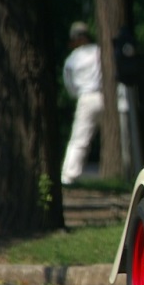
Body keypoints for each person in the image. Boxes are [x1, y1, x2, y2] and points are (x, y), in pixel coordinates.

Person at [61, 21, 104, 185]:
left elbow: (69, 84)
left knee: (79, 139)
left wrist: (76, 95)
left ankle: (68, 176)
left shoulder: (71, 59)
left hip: (86, 98)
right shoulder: (99, 51)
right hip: (106, 96)